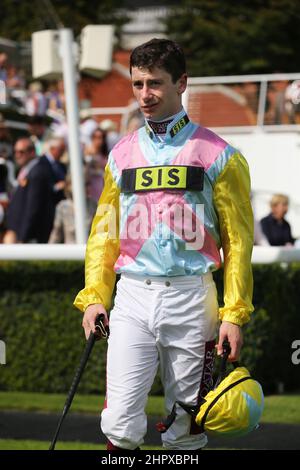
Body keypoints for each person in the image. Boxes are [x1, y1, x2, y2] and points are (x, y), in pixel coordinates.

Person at [74, 39, 254, 451]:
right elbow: (104, 233)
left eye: (154, 84)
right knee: (118, 425)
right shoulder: (120, 153)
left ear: (182, 83)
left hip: (193, 300)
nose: (144, 95)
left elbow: (239, 242)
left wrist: (234, 314)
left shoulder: (221, 156)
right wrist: (95, 297)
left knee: (185, 433)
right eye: (137, 84)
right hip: (133, 296)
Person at [4, 138, 55, 243]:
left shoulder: (38, 172)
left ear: (32, 152)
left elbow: (33, 208)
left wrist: (23, 237)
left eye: (21, 152)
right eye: (15, 152)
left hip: (29, 236)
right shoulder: (27, 169)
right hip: (17, 232)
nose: (17, 155)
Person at [49, 174, 97, 244]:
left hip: (89, 251)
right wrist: (48, 252)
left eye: (88, 184)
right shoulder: (62, 207)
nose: (87, 188)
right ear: (70, 186)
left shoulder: (94, 205)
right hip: (70, 252)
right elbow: (56, 234)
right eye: (83, 184)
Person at [84, 127, 108, 203]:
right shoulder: (87, 152)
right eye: (95, 137)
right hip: (90, 189)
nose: (98, 140)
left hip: (102, 187)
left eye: (100, 138)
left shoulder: (105, 154)